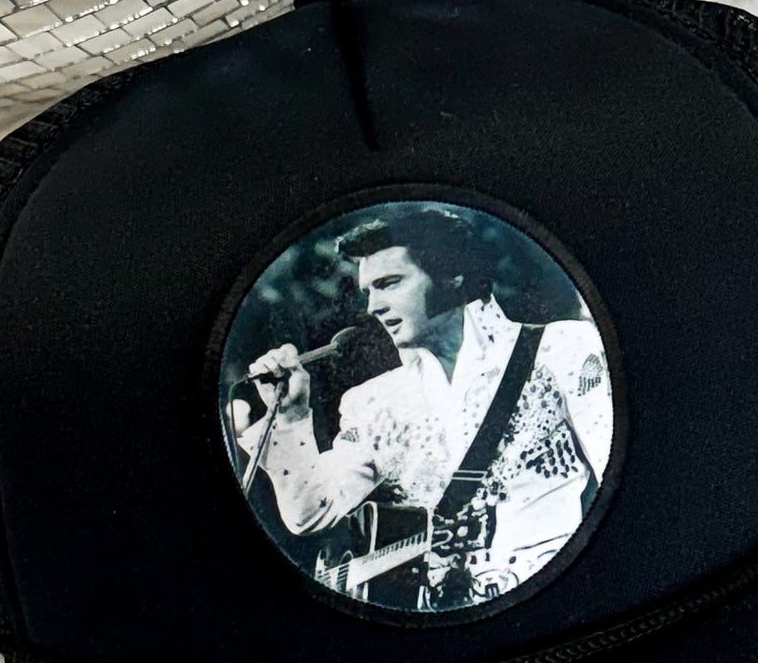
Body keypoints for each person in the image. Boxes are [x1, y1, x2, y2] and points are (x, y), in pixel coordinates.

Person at [232, 209, 613, 607]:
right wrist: (292, 417)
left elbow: (616, 476)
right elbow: (311, 513)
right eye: (368, 291)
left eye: (389, 283)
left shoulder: (561, 349)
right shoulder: (374, 402)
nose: (373, 307)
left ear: (451, 274)